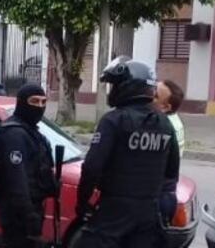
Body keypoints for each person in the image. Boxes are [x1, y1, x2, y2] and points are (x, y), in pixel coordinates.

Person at [74, 57, 180, 248]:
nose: (113, 90)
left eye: (115, 85)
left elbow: (91, 168)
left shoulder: (113, 121)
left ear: (127, 87)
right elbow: (172, 173)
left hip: (114, 214)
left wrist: (82, 203)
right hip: (148, 217)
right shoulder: (165, 124)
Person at [0, 84, 57, 248]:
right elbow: (17, 180)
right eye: (34, 101)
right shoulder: (14, 134)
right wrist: (29, 216)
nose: (40, 107)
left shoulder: (31, 131)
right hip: (17, 214)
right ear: (21, 103)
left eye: (43, 102)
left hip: (31, 209)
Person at [155, 79, 186, 224]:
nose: (150, 95)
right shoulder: (174, 119)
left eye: (155, 95)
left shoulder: (162, 126)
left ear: (165, 107)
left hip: (159, 190)